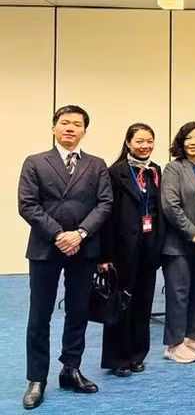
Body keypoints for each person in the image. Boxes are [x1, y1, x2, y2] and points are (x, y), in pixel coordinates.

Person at [19, 105, 113, 410]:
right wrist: (60, 235)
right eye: (65, 123)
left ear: (85, 130)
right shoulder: (35, 162)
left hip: (84, 248)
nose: (70, 128)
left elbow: (105, 203)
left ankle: (71, 368)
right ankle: (37, 378)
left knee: (78, 311)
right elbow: (28, 205)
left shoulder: (97, 164)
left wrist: (81, 234)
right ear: (54, 128)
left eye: (77, 124)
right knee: (40, 314)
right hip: (47, 247)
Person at [99, 123, 165, 377]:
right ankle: (118, 358)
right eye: (139, 141)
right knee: (120, 304)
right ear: (128, 143)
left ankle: (138, 354)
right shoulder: (114, 173)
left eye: (149, 140)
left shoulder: (154, 171)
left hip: (148, 247)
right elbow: (106, 216)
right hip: (121, 249)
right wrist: (104, 256)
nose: (145, 145)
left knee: (142, 303)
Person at [160, 121, 195, 364]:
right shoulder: (173, 169)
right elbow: (170, 206)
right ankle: (173, 344)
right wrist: (193, 234)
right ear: (181, 142)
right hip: (179, 243)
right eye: (189, 138)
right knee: (179, 293)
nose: (194, 142)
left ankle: (192, 337)